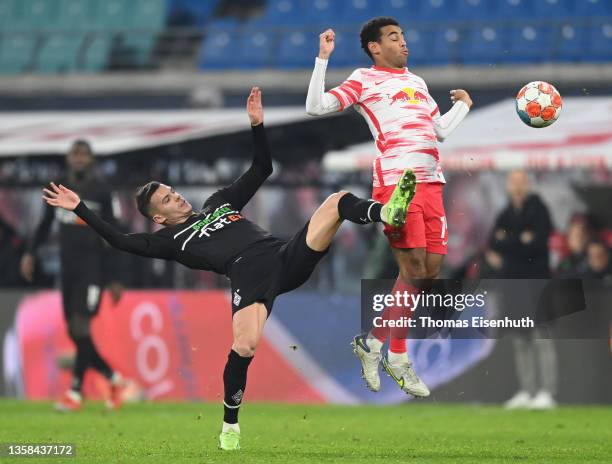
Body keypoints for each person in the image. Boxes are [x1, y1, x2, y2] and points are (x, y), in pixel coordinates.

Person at [42, 87, 416, 451]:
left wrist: (257, 126)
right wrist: (79, 208)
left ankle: (387, 212)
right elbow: (120, 240)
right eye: (169, 199)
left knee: (335, 201)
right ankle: (230, 426)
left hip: (285, 256)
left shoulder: (218, 201)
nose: (178, 196)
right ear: (159, 216)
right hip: (249, 280)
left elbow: (262, 168)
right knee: (244, 345)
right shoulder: (170, 242)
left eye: (174, 190)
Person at [305, 17, 472, 396]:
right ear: (375, 47)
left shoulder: (417, 82)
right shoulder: (364, 79)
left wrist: (462, 106)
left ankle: (375, 342)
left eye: (404, 36)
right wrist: (322, 59)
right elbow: (316, 106)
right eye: (394, 37)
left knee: (426, 272)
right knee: (411, 268)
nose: (403, 43)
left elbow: (440, 131)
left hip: (432, 180)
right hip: (399, 182)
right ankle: (398, 354)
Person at [21, 139, 126, 412]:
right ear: (68, 158)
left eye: (84, 154)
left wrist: (114, 277)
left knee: (81, 328)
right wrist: (31, 253)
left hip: (94, 268)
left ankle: (75, 393)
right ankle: (113, 379)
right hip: (68, 268)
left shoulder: (102, 191)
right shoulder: (57, 187)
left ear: (91, 159)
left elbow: (114, 233)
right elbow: (45, 224)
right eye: (75, 154)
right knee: (74, 332)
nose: (79, 158)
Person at [486, 170, 558, 410]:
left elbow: (536, 243)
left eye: (521, 182)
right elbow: (493, 242)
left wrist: (507, 242)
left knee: (541, 335)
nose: (517, 186)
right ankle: (527, 390)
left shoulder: (538, 209)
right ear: (508, 185)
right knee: (520, 338)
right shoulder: (506, 213)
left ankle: (547, 392)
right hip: (512, 283)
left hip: (535, 282)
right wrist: (519, 240)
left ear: (528, 184)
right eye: (513, 182)